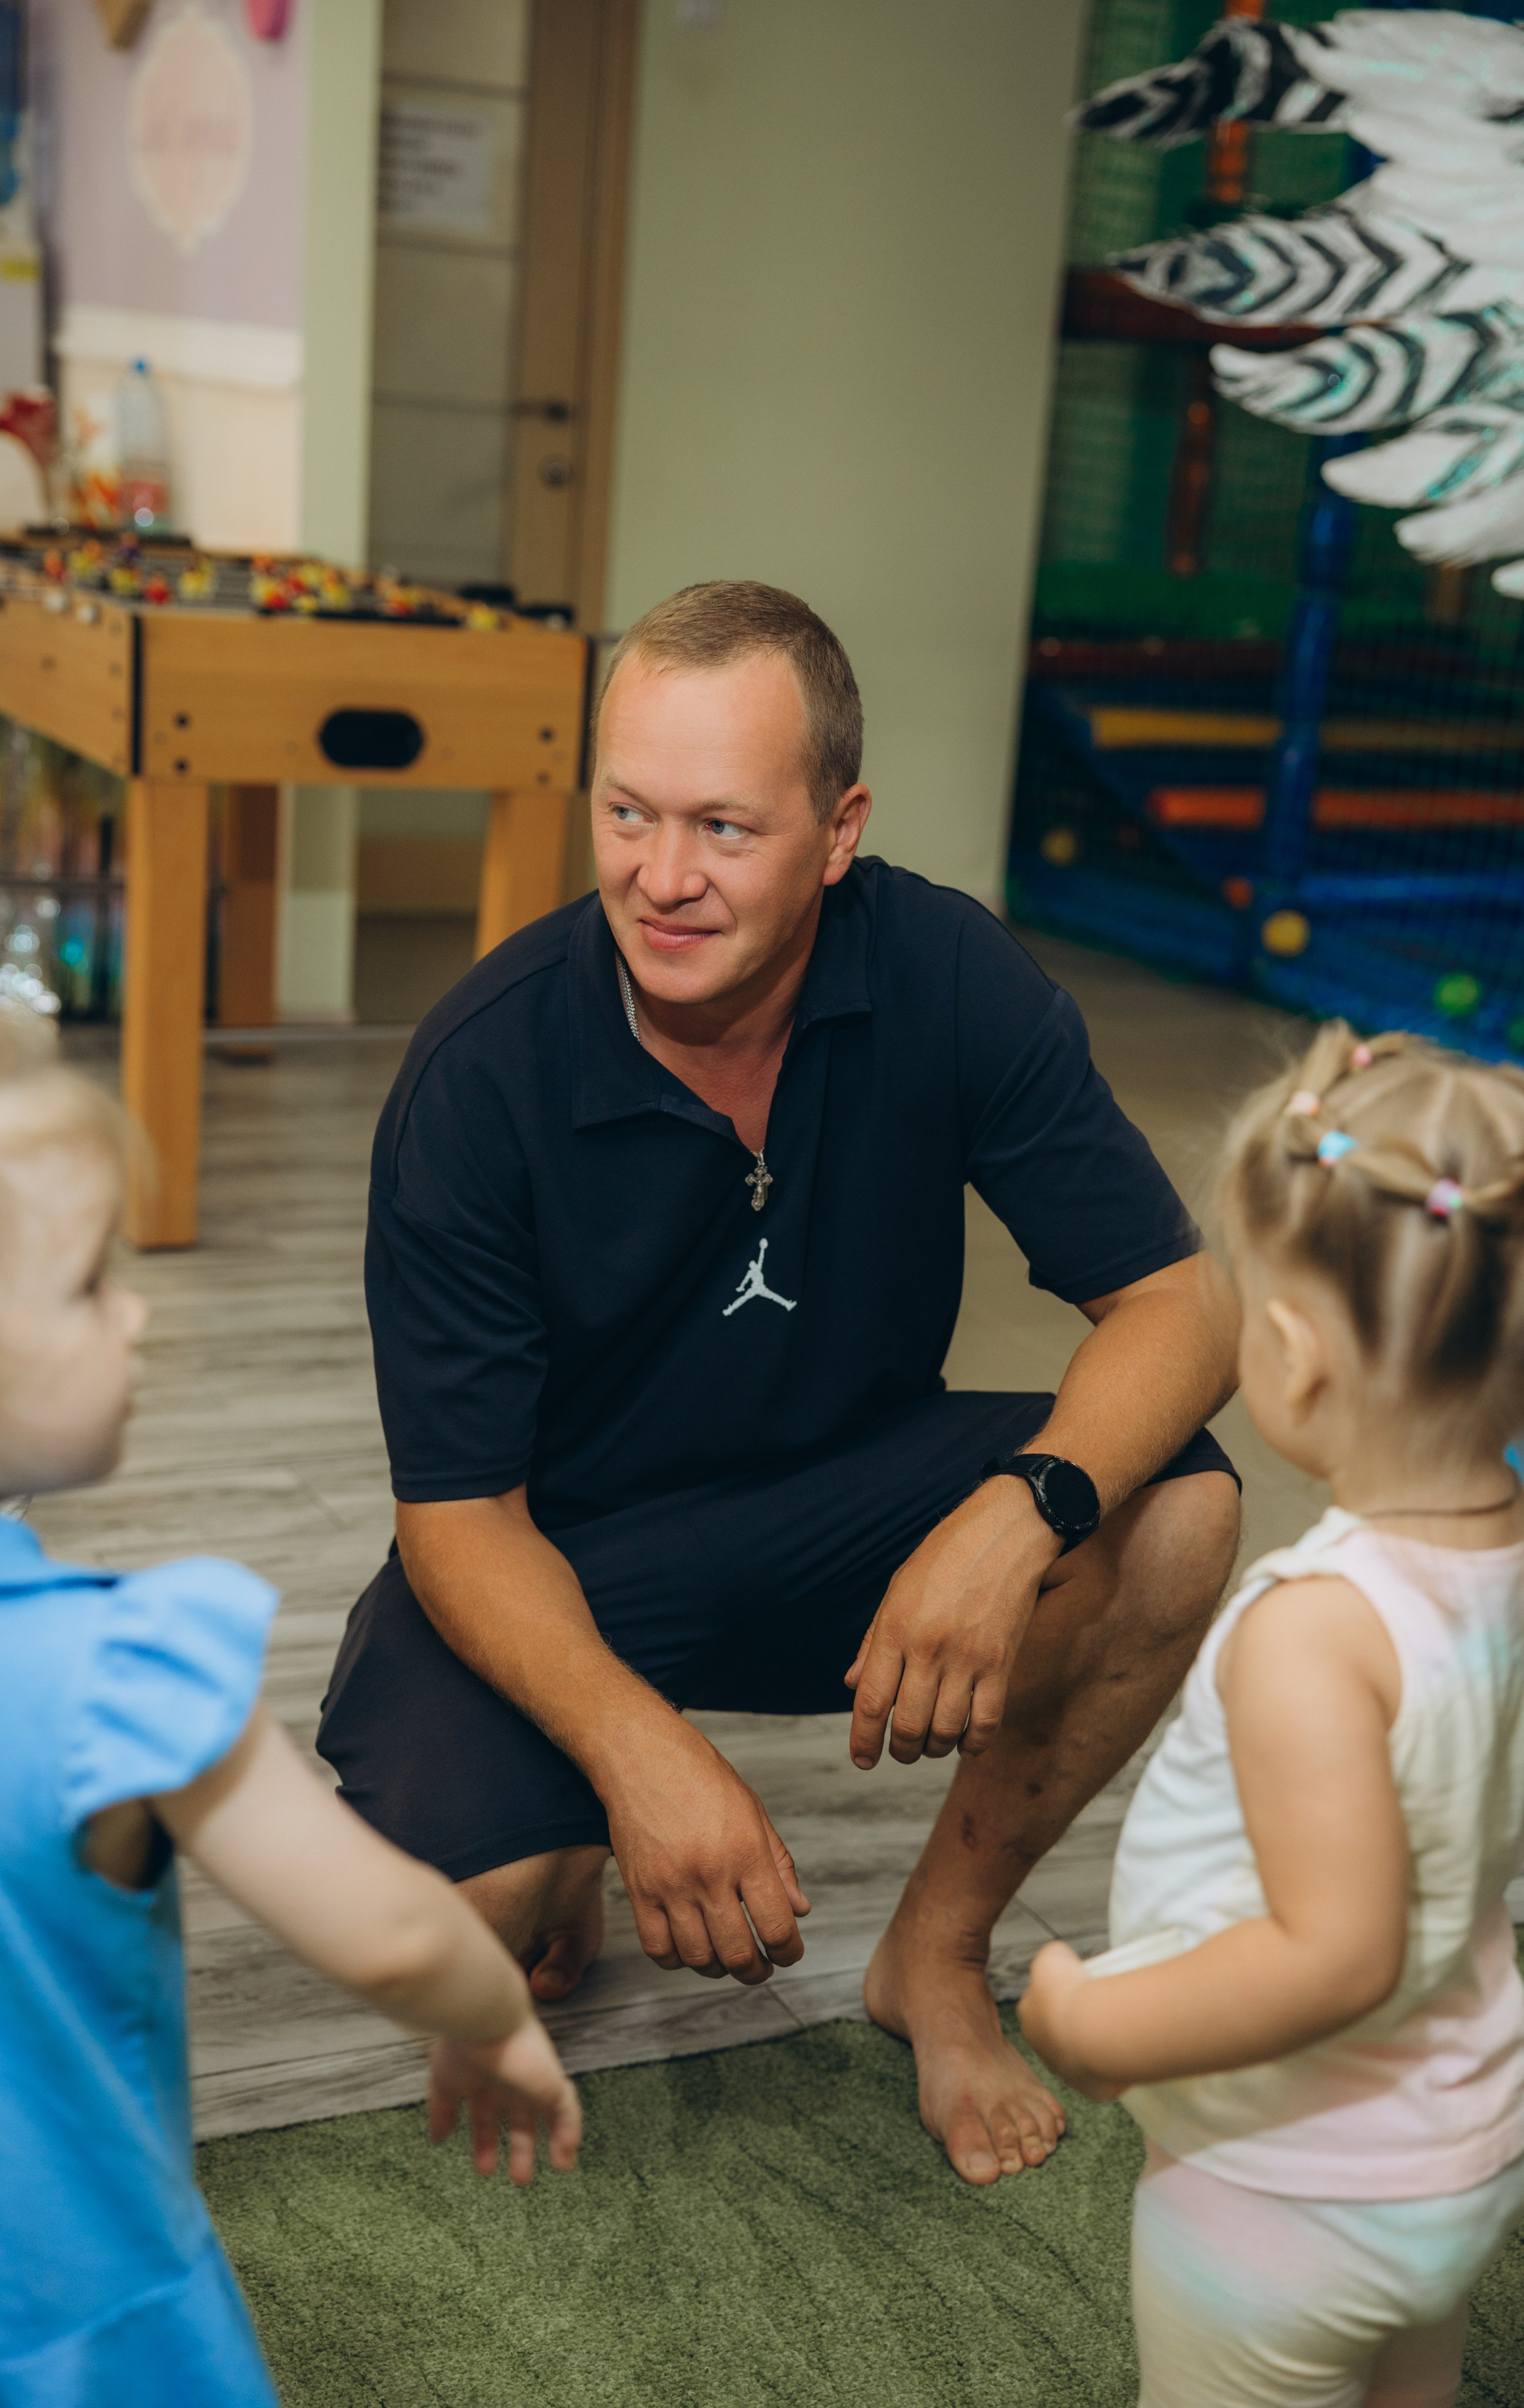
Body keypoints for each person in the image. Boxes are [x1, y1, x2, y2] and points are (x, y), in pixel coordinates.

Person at [319, 579, 1243, 2189]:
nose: (660, 878)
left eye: (724, 829)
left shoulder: (947, 972)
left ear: (837, 831)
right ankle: (566, 1831)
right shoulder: (479, 1075)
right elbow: (458, 1517)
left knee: (1172, 1513)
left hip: (840, 1504)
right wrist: (636, 1757)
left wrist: (1018, 1515)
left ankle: (931, 1960)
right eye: (626, 812)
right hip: (563, 1550)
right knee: (458, 1927)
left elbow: (1179, 1304)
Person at [1019, 1022, 1524, 2408]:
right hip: (1465, 2138)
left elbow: (1334, 1954)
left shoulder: (1316, 1629)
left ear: (1293, 1350)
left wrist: (1098, 2029)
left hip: (1289, 2193)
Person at [0, 1036, 581, 2405]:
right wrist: (489, 2014)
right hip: (81, 2319)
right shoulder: (114, 1680)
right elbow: (391, 1932)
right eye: (90, 1285)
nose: (136, 1316)